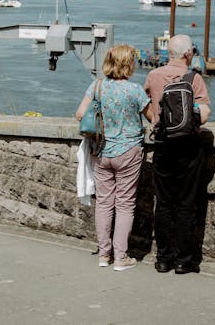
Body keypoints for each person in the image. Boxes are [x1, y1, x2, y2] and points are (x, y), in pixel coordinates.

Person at [75, 43, 152, 271]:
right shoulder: (135, 90)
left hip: (102, 151)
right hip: (128, 152)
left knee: (104, 203)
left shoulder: (97, 86)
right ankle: (120, 257)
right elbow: (153, 117)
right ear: (128, 64)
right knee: (125, 204)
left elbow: (80, 114)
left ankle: (103, 254)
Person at [144, 34, 211, 275]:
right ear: (187, 54)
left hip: (163, 143)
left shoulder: (153, 76)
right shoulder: (194, 78)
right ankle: (184, 260)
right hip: (188, 146)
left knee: (163, 203)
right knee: (186, 203)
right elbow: (203, 115)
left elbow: (145, 105)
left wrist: (156, 121)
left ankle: (163, 259)